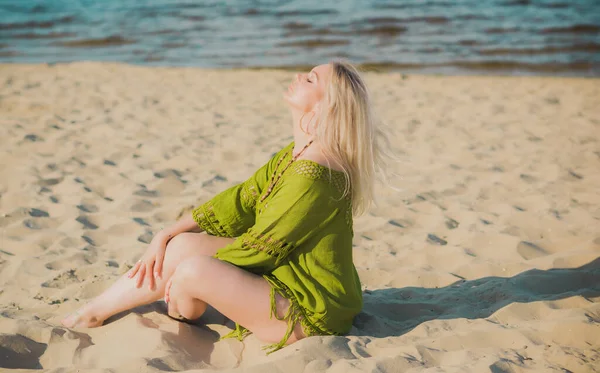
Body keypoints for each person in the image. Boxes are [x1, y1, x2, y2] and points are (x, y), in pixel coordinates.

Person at [61, 60, 395, 354]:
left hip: (312, 311)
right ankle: (96, 310)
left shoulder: (315, 174)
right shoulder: (297, 153)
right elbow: (241, 200)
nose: (298, 76)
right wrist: (168, 233)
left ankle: (180, 303)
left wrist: (183, 275)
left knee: (192, 268)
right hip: (289, 274)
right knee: (184, 246)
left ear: (326, 108)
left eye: (311, 79)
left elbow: (260, 248)